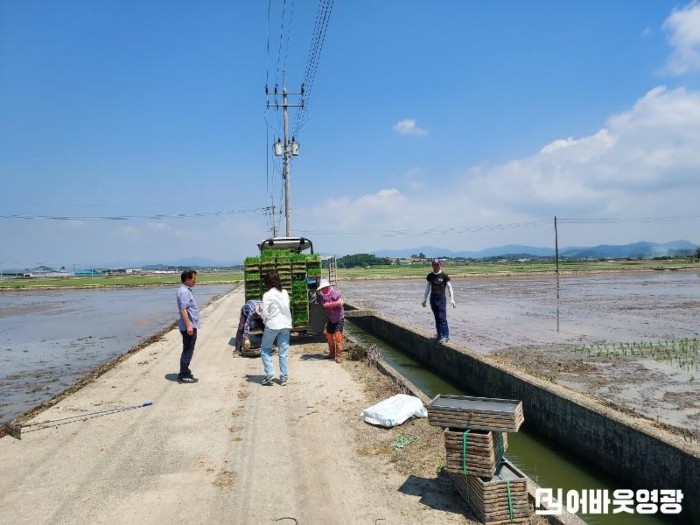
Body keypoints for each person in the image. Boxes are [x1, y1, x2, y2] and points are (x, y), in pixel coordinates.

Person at [260, 270, 292, 386]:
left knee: (265, 350)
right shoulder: (285, 292)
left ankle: (269, 373)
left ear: (268, 282)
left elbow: (264, 313)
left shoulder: (267, 295)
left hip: (273, 325)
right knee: (283, 352)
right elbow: (286, 307)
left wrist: (263, 318)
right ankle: (283, 377)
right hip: (285, 325)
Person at [422, 259, 455, 344]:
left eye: (437, 265)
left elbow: (449, 288)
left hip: (441, 299)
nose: (436, 266)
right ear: (432, 266)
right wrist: (424, 299)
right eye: (434, 265)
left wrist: (452, 299)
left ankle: (445, 336)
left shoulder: (444, 276)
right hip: (432, 299)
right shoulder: (430, 276)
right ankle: (439, 335)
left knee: (442, 318)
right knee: (437, 318)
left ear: (440, 265)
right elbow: (427, 288)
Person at [176, 269, 200, 382]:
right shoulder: (184, 292)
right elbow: (183, 309)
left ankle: (185, 371)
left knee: (189, 348)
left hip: (190, 325)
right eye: (193, 278)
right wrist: (189, 325)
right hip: (188, 327)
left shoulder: (186, 290)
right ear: (187, 279)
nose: (195, 281)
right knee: (188, 349)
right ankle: (183, 374)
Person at [317, 278, 345, 363]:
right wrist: (330, 304)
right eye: (321, 288)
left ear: (327, 287)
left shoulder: (335, 293)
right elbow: (323, 304)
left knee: (338, 336)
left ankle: (338, 355)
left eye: (324, 288)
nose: (322, 290)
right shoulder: (322, 297)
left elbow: (341, 302)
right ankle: (332, 353)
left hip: (339, 317)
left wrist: (329, 304)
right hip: (331, 319)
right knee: (329, 335)